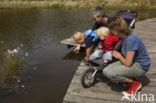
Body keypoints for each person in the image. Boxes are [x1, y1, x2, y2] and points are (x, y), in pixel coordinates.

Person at [103, 17, 151, 96]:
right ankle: (130, 77)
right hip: (131, 61)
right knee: (106, 70)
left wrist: (119, 56)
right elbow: (116, 48)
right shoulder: (124, 35)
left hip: (141, 66)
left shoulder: (130, 40)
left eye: (111, 29)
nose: (110, 31)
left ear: (117, 30)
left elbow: (128, 64)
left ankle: (134, 83)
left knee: (111, 73)